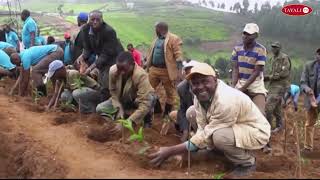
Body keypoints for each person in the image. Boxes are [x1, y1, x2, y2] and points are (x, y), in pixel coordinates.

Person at [149, 63, 271, 177]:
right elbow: (202, 127)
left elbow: (207, 134)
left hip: (255, 131)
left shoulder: (225, 100)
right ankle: (217, 152)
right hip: (234, 127)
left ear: (215, 80)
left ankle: (247, 163)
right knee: (191, 112)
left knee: (219, 136)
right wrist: (191, 147)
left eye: (205, 81)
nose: (200, 87)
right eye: (195, 83)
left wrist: (171, 151)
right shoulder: (199, 97)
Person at [96, 51, 156, 129]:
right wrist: (119, 107)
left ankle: (147, 120)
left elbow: (144, 103)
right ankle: (117, 120)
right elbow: (113, 91)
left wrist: (128, 122)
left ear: (133, 65)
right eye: (119, 69)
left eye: (124, 69)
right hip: (123, 100)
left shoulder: (141, 76)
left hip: (136, 100)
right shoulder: (113, 71)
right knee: (100, 108)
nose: (121, 72)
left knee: (150, 98)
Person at [79, 10, 124, 101]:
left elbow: (106, 54)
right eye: (92, 19)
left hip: (114, 57)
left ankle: (111, 103)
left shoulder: (109, 31)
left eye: (98, 19)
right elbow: (87, 48)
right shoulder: (85, 29)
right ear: (88, 20)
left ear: (102, 20)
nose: (95, 22)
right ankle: (104, 101)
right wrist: (82, 58)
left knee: (108, 80)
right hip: (101, 57)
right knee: (101, 81)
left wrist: (90, 68)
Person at [146, 22, 183, 121]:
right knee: (148, 90)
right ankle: (156, 108)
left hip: (167, 71)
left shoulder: (174, 39)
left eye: (156, 29)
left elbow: (178, 55)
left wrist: (179, 72)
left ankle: (166, 115)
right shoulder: (156, 40)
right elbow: (150, 53)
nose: (155, 31)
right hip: (154, 69)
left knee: (170, 93)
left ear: (160, 29)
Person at [231, 23, 267, 114]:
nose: (245, 36)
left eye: (249, 34)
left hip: (255, 85)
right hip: (240, 82)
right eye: (244, 33)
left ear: (255, 36)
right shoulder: (237, 49)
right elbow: (235, 69)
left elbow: (256, 72)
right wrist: (233, 86)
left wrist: (243, 88)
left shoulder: (261, 50)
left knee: (260, 114)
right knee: (233, 111)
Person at [168, 60, 199, 141]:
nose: (191, 77)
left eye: (193, 74)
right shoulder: (182, 88)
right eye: (188, 74)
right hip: (191, 117)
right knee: (173, 115)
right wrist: (185, 130)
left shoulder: (207, 87)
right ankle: (189, 131)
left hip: (206, 119)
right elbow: (182, 110)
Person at [265, 41, 291, 134]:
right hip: (272, 86)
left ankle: (267, 128)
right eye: (272, 47)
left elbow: (284, 73)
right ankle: (279, 126)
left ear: (279, 48)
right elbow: (272, 73)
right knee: (276, 108)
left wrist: (269, 77)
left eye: (275, 47)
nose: (273, 48)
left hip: (280, 86)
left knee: (268, 107)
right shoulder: (272, 59)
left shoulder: (284, 58)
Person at [300, 48, 320, 153]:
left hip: (317, 99)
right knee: (309, 124)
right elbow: (303, 82)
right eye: (319, 54)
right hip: (311, 99)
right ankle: (308, 147)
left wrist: (317, 100)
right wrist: (308, 90)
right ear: (316, 55)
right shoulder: (309, 66)